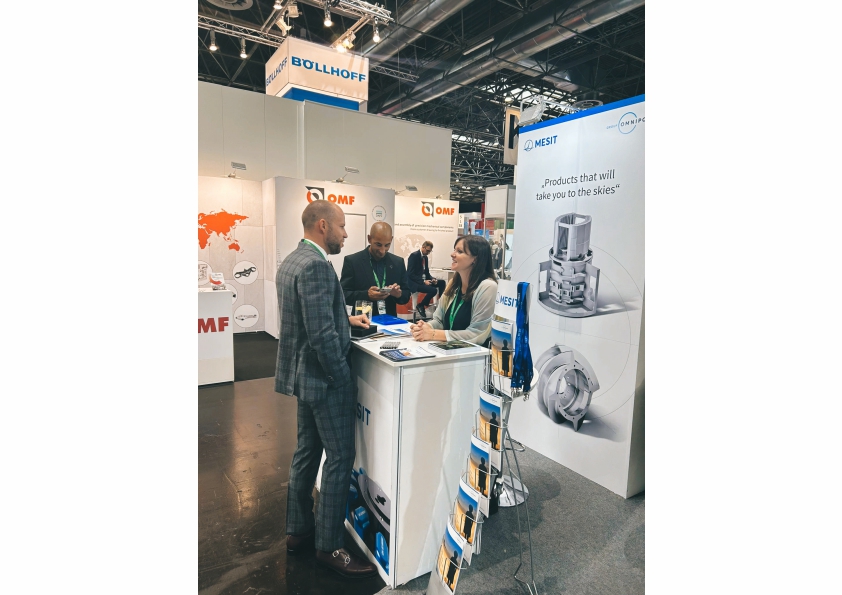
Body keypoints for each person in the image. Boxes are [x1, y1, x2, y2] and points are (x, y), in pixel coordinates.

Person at [275, 200, 377, 580]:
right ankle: (330, 545)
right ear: (323, 225)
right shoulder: (317, 265)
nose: (346, 234)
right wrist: (341, 376)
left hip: (305, 377)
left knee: (307, 452)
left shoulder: (293, 260)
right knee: (339, 456)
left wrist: (344, 317)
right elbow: (320, 335)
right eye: (342, 226)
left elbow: (310, 318)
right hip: (325, 379)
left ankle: (298, 530)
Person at [410, 235, 498, 346]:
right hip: (449, 350)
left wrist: (432, 334)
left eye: (459, 251)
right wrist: (426, 327)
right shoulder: (453, 284)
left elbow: (476, 334)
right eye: (454, 250)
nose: (452, 254)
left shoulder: (488, 287)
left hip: (474, 354)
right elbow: (439, 320)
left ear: (475, 259)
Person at [340, 222, 410, 317]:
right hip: (362, 321)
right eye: (378, 245)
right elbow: (343, 295)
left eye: (387, 245)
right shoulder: (353, 261)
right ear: (369, 239)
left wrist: (398, 294)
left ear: (391, 239)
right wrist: (366, 295)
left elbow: (406, 295)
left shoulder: (398, 262)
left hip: (389, 322)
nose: (382, 251)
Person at [406, 241, 446, 319]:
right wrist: (423, 281)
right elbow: (410, 274)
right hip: (414, 283)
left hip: (422, 280)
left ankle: (442, 306)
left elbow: (427, 273)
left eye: (430, 251)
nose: (428, 253)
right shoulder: (414, 256)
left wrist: (432, 279)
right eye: (427, 251)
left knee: (442, 283)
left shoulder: (425, 257)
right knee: (433, 290)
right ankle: (421, 305)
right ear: (423, 247)